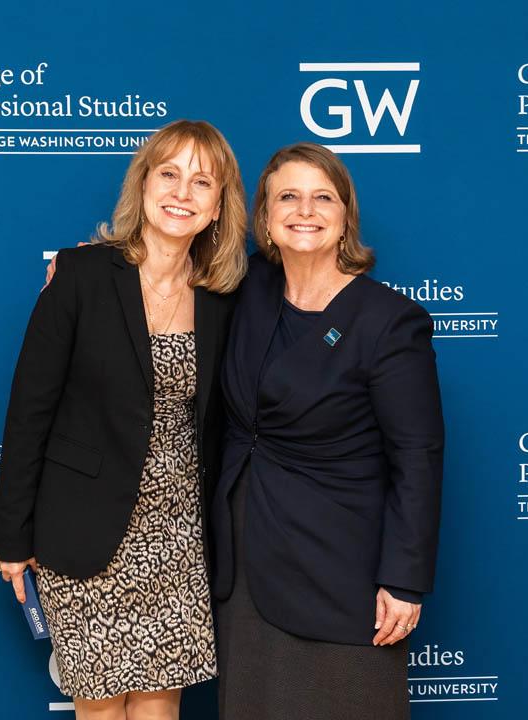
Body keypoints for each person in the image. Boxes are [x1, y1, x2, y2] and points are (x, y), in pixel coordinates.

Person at [0, 119, 247, 720]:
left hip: (180, 537)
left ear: (218, 206)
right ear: (144, 184)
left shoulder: (227, 295)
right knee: (101, 709)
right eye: (169, 174)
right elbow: (29, 412)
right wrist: (11, 538)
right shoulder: (81, 275)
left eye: (201, 182)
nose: (182, 193)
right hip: (84, 529)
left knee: (160, 708)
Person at [209, 143, 444, 720]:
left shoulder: (388, 321)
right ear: (265, 216)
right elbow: (158, 270)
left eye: (323, 198)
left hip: (341, 568)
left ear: (345, 216)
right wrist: (89, 268)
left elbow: (417, 457)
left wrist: (405, 581)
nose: (305, 210)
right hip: (245, 557)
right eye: (288, 196)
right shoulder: (246, 288)